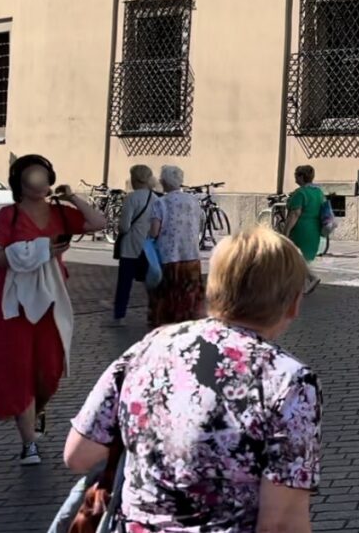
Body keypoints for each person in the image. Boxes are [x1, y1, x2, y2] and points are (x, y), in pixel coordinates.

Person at [64, 227, 321, 532]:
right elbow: (280, 524)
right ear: (292, 302)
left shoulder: (151, 346)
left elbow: (78, 455)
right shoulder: (287, 380)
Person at [0, 154, 105, 465]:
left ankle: (38, 408)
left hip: (51, 301)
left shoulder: (59, 212)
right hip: (14, 304)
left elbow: (98, 223)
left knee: (49, 370)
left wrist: (71, 194)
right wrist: (37, 250)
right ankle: (28, 443)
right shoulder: (9, 215)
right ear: (20, 183)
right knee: (19, 369)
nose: (40, 182)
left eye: (44, 176)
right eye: (33, 177)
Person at [148, 165, 204, 328]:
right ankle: (189, 320)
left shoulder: (161, 203)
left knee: (168, 292)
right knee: (189, 290)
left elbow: (154, 232)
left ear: (163, 182)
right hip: (191, 254)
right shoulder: (193, 201)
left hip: (168, 255)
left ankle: (168, 323)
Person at [111, 165, 157, 327]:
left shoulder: (131, 198)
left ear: (134, 180)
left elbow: (124, 226)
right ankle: (154, 314)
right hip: (147, 247)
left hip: (130, 247)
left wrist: (120, 227)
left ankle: (119, 316)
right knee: (149, 283)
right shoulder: (155, 198)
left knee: (124, 283)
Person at [284, 164, 325, 294]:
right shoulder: (318, 192)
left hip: (301, 229)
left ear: (301, 177)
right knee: (300, 257)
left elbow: (294, 214)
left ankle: (310, 278)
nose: (295, 177)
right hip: (314, 228)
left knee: (293, 255)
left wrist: (286, 231)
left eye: (296, 175)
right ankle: (300, 283)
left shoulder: (300, 193)